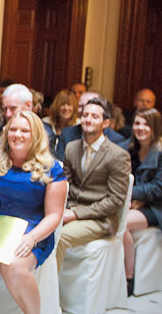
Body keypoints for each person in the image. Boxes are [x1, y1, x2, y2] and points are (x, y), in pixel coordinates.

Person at [0, 110, 66, 314]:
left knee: (14, 267)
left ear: (35, 135)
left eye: (24, 130)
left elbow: (54, 215)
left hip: (31, 230)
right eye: (13, 129)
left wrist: (31, 238)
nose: (17, 134)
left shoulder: (52, 168)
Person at [56, 97, 132, 271]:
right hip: (70, 211)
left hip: (100, 219)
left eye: (94, 116)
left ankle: (49, 287)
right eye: (85, 115)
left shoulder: (118, 155)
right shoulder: (72, 148)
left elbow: (115, 201)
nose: (88, 120)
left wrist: (76, 214)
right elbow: (65, 186)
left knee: (59, 236)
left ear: (106, 123)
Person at [122, 109, 162, 296]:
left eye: (146, 124)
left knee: (122, 223)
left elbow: (160, 188)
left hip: (159, 207)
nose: (140, 128)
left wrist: (129, 195)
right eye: (137, 123)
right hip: (133, 202)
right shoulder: (129, 147)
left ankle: (128, 276)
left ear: (155, 127)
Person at [54, 91, 127, 161]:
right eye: (80, 106)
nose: (84, 110)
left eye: (89, 105)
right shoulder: (67, 134)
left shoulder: (116, 140)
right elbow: (59, 163)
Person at [0, 83, 56, 148]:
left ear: (28, 106)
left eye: (13, 108)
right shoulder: (0, 131)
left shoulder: (45, 134)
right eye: (4, 109)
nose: (7, 114)